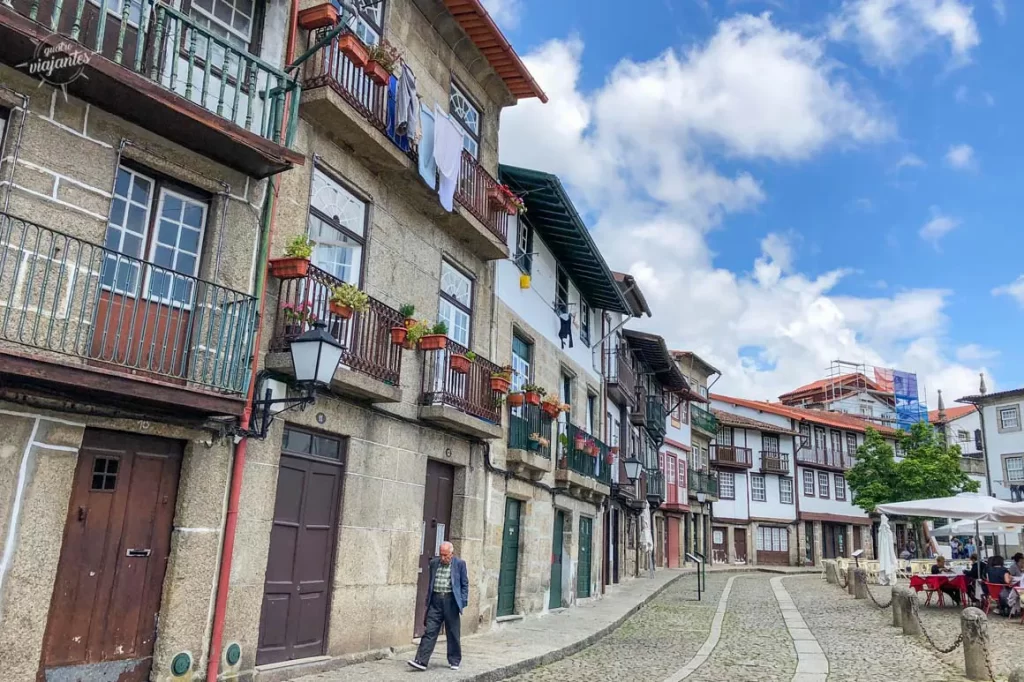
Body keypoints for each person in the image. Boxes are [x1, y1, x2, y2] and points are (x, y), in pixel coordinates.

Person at [409, 542, 469, 671]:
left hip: (451, 601)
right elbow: (431, 582)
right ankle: (421, 661)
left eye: (445, 555)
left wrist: (463, 601)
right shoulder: (434, 563)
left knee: (453, 632)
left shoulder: (459, 564)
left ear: (451, 554)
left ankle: (454, 660)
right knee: (430, 631)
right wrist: (428, 601)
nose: (443, 558)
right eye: (441, 555)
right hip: (435, 601)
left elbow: (464, 584)